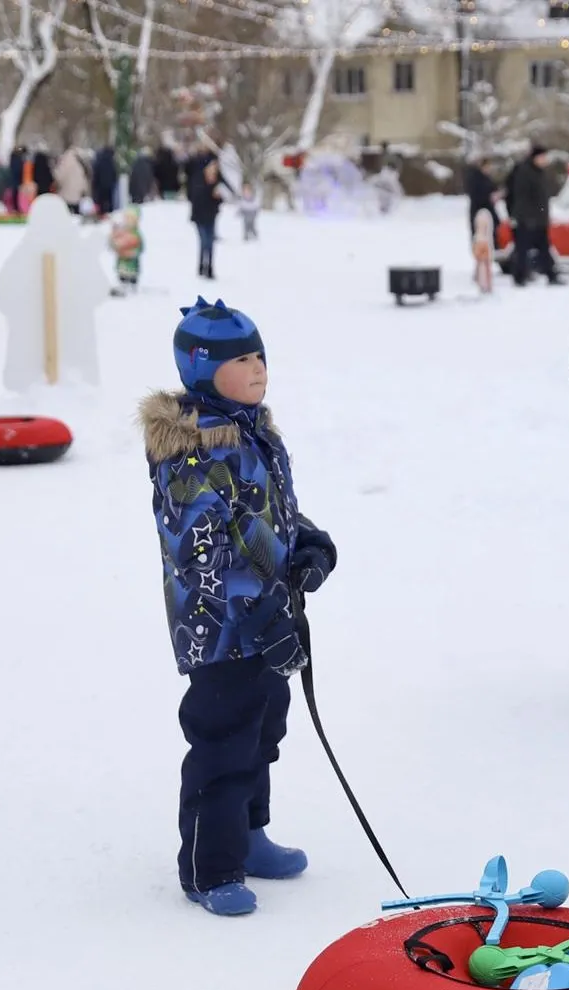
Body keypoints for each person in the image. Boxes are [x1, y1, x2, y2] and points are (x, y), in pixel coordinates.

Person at [139, 298, 337, 917]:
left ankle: (249, 837)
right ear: (200, 369)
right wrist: (256, 613)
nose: (258, 369)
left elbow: (266, 513)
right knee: (223, 742)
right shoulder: (189, 450)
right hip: (220, 630)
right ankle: (208, 867)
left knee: (262, 731)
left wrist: (306, 543)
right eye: (241, 360)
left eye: (260, 356)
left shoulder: (256, 432)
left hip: (270, 619)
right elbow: (202, 550)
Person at [505, 143, 560, 286]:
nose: (545, 160)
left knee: (543, 248)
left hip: (539, 218)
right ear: (535, 157)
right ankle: (519, 277)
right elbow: (522, 196)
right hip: (527, 219)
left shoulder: (539, 172)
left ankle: (550, 275)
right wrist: (526, 217)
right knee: (522, 249)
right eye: (543, 157)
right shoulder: (525, 172)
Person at [186, 150, 224, 279]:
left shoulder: (216, 182)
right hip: (199, 217)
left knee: (211, 243)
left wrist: (218, 198)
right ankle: (202, 266)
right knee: (204, 242)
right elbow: (196, 197)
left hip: (211, 216)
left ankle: (210, 267)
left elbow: (218, 201)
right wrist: (211, 190)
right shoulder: (198, 180)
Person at [461, 153, 499, 241]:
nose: (489, 169)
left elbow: (493, 188)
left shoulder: (486, 178)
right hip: (479, 210)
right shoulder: (474, 178)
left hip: (488, 209)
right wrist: (490, 196)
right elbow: (476, 194)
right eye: (487, 167)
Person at [109, 206, 144, 295]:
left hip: (132, 262)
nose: (129, 222)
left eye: (132, 219)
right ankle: (123, 285)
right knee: (122, 275)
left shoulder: (136, 234)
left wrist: (135, 252)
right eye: (127, 219)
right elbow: (113, 243)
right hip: (122, 261)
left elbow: (141, 247)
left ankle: (132, 286)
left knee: (132, 275)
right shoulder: (121, 232)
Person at [53, 145, 90, 215]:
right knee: (76, 215)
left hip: (66, 195)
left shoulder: (65, 162)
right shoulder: (80, 164)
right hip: (77, 196)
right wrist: (84, 190)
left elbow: (59, 177)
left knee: (66, 215)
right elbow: (84, 180)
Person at [92, 144, 120, 217]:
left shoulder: (99, 160)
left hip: (100, 186)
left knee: (101, 201)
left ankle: (101, 215)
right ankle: (109, 214)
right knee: (109, 201)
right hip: (109, 186)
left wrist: (95, 184)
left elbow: (96, 174)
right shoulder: (112, 161)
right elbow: (114, 174)